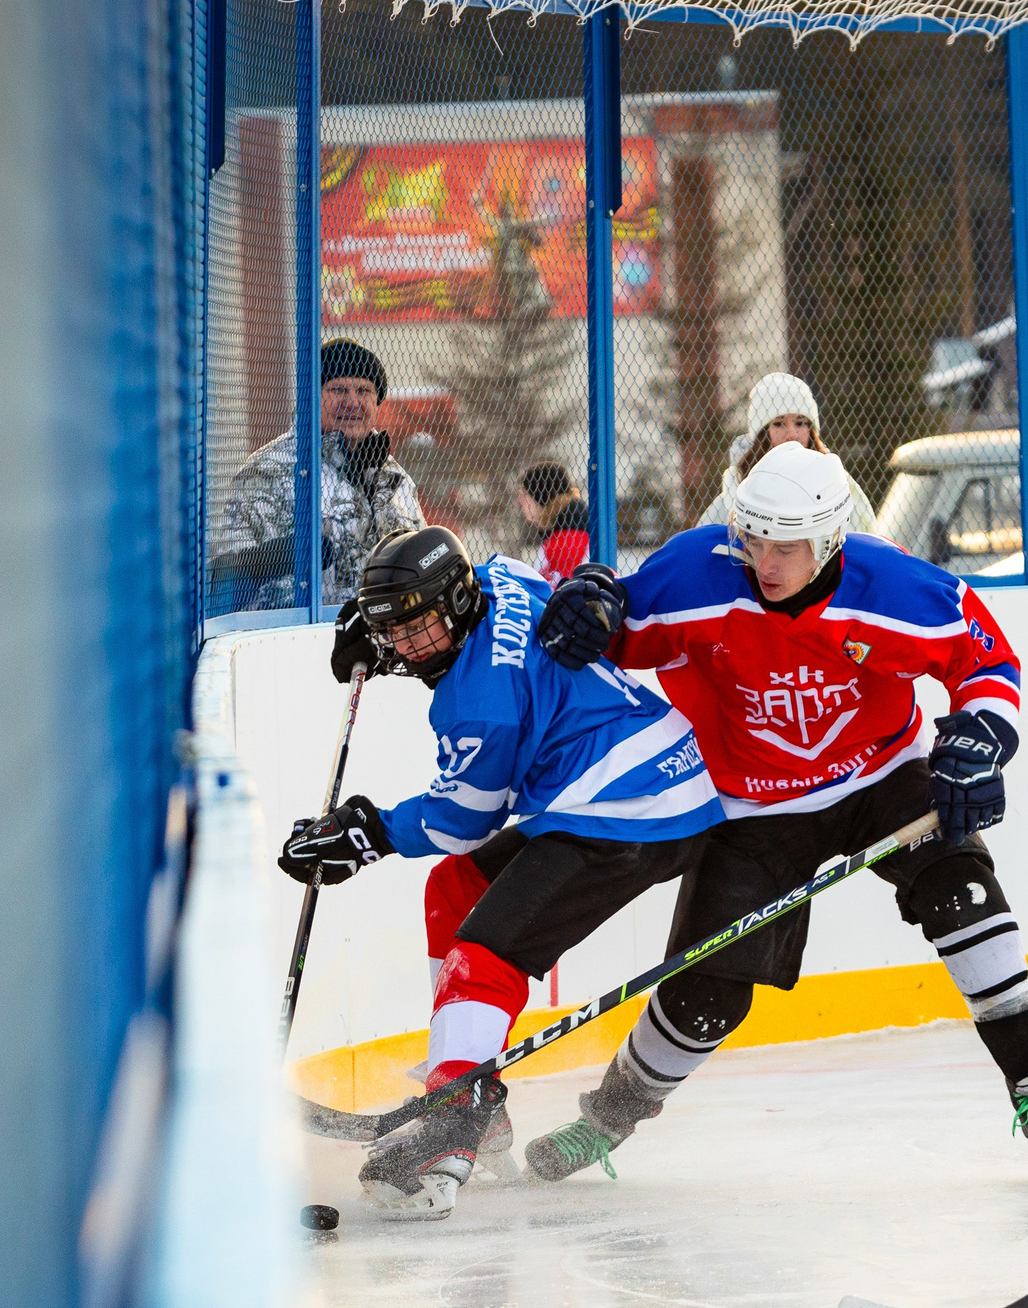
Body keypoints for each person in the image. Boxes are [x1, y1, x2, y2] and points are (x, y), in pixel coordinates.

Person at [524, 441, 1028, 1183]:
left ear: (829, 539)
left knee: (963, 891)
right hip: (754, 804)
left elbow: (984, 658)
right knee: (708, 992)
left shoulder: (888, 583)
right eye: (753, 536)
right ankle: (604, 1121)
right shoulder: (704, 569)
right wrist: (592, 598)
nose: (763, 559)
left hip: (881, 775)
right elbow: (619, 626)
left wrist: (983, 737)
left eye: (785, 545)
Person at [282, 526, 723, 1221]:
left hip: (624, 808)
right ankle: (473, 1092)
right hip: (651, 777)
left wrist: (366, 832)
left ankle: (455, 1120)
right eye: (391, 630)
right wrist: (385, 632)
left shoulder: (477, 703)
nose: (405, 645)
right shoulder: (502, 578)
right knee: (454, 888)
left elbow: (462, 820)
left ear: (457, 604)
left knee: (485, 953)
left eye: (417, 628)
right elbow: (476, 618)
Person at [213, 337, 423, 611]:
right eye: (337, 390)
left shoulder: (393, 476)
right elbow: (222, 584)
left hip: (387, 637)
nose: (352, 402)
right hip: (295, 639)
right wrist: (274, 560)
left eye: (364, 391)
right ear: (312, 396)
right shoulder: (264, 473)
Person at [693, 371, 880, 536]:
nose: (792, 434)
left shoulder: (837, 482)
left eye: (800, 423)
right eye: (779, 423)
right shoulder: (737, 489)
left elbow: (863, 538)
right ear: (762, 435)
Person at [515, 461, 591, 582]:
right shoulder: (564, 527)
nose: (520, 500)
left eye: (524, 494)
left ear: (540, 496)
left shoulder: (567, 538)